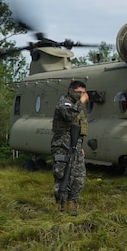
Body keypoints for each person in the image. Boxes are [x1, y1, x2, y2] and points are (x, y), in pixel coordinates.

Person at [52, 80, 89, 215]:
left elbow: (78, 128)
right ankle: (59, 206)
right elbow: (68, 116)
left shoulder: (77, 107)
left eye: (83, 93)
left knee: (78, 177)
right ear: (71, 90)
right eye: (79, 92)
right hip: (62, 145)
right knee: (61, 176)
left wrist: (80, 146)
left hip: (75, 147)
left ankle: (72, 203)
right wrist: (81, 102)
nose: (81, 95)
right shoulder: (64, 104)